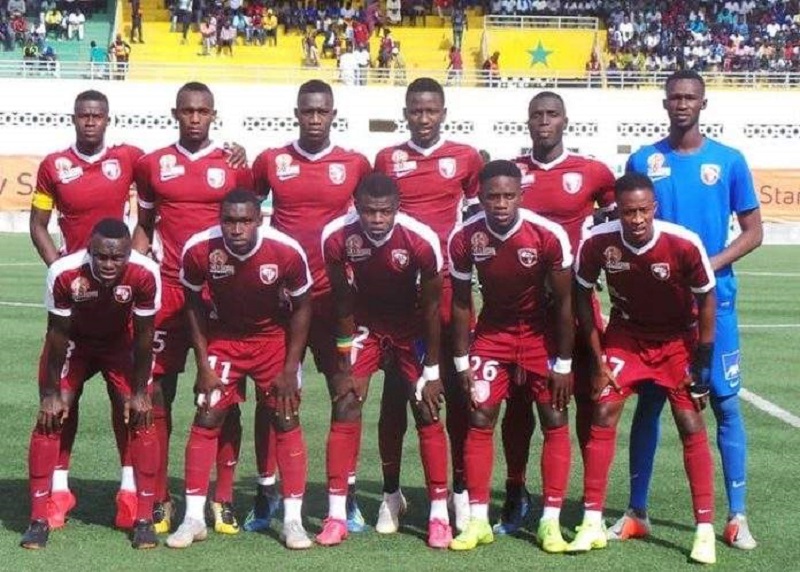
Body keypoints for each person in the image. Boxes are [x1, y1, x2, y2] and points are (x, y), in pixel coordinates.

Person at [617, 69, 762, 550]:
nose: (681, 104)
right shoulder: (644, 159)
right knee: (650, 403)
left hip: (714, 303)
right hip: (658, 309)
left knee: (724, 403)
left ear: (703, 104)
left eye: (690, 98)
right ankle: (637, 511)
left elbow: (753, 231)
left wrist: (706, 265)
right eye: (674, 97)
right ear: (664, 104)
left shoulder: (729, 161)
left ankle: (737, 516)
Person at [569, 173, 718, 565]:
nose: (636, 219)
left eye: (643, 211)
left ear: (654, 208)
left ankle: (704, 531)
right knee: (602, 408)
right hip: (627, 335)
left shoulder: (683, 242)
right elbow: (581, 293)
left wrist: (702, 360)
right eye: (628, 212)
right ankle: (590, 521)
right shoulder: (599, 241)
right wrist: (598, 356)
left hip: (675, 340)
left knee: (689, 421)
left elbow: (706, 299)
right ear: (617, 210)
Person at [248, 79, 371, 534]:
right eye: (307, 111)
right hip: (281, 304)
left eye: (322, 112)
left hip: (337, 304)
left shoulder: (355, 163)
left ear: (333, 114)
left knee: (347, 391)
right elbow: (241, 205)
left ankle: (347, 495)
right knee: (274, 397)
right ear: (295, 113)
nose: (314, 119)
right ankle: (266, 493)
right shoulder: (271, 161)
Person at [494, 90, 616, 538]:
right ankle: (515, 489)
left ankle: (586, 499)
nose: (543, 122)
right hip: (522, 308)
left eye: (551, 115)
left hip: (577, 303)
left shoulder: (591, 172)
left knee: (585, 398)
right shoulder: (513, 174)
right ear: (527, 123)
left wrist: (596, 257)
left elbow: (615, 209)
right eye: (536, 116)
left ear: (566, 121)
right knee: (519, 403)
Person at [133, 81, 253, 535]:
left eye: (203, 111)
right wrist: (139, 266)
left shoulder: (233, 164)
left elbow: (247, 226)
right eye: (188, 111)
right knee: (158, 390)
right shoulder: (152, 165)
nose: (196, 118)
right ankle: (160, 496)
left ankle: (223, 498)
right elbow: (144, 226)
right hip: (167, 291)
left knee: (223, 396)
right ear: (175, 113)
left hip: (219, 294)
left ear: (213, 114)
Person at [166, 190, 313, 550]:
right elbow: (193, 305)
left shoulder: (286, 250)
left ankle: (293, 521)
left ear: (259, 220)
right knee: (208, 414)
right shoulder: (200, 249)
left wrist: (291, 367)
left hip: (271, 339)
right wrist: (202, 364)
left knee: (285, 417)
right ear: (220, 220)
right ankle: (193, 518)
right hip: (225, 338)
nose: (236, 228)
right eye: (229, 220)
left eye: (245, 220)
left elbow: (303, 307)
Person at [29, 90, 146, 531]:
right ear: (74, 119)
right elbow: (37, 225)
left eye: (97, 116)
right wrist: (60, 272)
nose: (91, 122)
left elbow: (159, 199)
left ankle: (130, 491)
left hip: (118, 308)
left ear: (108, 119)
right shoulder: (53, 166)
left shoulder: (129, 158)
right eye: (84, 116)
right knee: (62, 398)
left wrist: (132, 262)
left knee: (128, 400)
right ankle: (58, 489)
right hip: (72, 307)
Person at [373, 77, 484, 535]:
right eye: (415, 111)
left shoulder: (465, 157)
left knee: (455, 391)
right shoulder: (386, 159)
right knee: (396, 393)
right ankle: (391, 494)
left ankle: (458, 491)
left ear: (443, 112)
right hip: (396, 297)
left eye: (431, 110)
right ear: (405, 112)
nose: (423, 118)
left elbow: (478, 215)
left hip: (446, 292)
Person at [318, 173, 453, 548]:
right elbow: (342, 300)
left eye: (385, 212)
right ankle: (336, 516)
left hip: (411, 327)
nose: (377, 219)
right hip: (365, 325)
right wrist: (345, 364)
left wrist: (432, 371)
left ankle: (439, 516)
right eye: (369, 211)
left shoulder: (421, 239)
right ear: (356, 207)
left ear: (397, 208)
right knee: (345, 403)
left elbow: (430, 308)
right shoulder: (335, 236)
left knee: (426, 409)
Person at [447, 160, 574, 552]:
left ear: (521, 195)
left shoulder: (547, 234)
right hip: (493, 334)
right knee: (480, 414)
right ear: (480, 197)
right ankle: (478, 520)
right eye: (492, 196)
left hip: (540, 335)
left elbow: (567, 302)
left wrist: (565, 364)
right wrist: (463, 362)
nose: (500, 203)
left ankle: (550, 523)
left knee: (553, 416)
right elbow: (462, 303)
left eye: (508, 196)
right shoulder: (465, 237)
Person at [21, 219, 161, 550]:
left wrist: (141, 392)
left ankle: (142, 518)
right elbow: (56, 335)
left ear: (130, 253)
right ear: (89, 251)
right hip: (75, 342)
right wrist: (51, 394)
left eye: (117, 258)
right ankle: (39, 518)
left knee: (142, 415)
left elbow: (144, 337)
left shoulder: (145, 272)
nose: (109, 264)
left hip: (120, 343)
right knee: (51, 416)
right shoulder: (64, 272)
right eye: (101, 257)